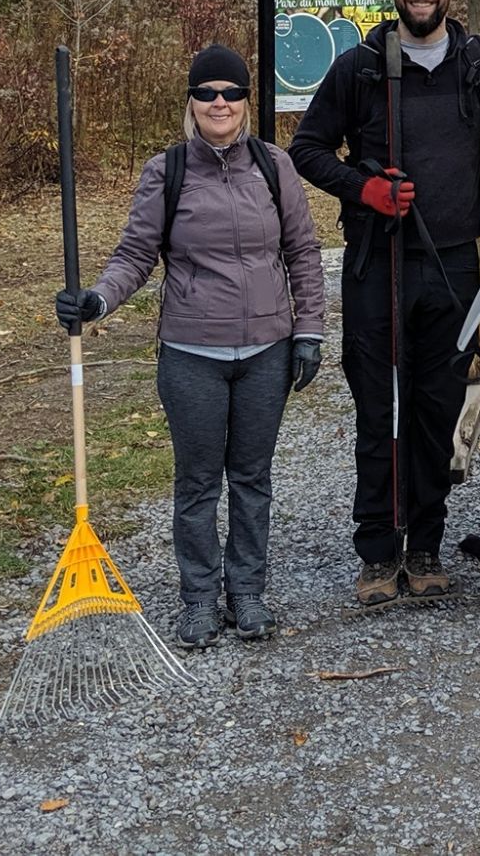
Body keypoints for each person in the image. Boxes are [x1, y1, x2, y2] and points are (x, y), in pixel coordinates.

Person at [56, 44, 326, 649]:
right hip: (191, 352)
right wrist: (98, 299)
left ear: (246, 102)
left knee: (252, 477)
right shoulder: (168, 169)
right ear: (191, 101)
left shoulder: (274, 165)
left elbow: (303, 254)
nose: (220, 102)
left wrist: (308, 331)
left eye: (231, 92)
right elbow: (134, 254)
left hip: (266, 350)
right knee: (199, 481)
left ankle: (248, 592)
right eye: (207, 93)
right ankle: (200, 599)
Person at [288, 0, 480, 606]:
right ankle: (378, 553)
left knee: (435, 411)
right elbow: (306, 147)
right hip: (377, 265)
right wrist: (363, 188)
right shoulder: (360, 67)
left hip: (453, 269)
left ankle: (425, 545)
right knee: (380, 411)